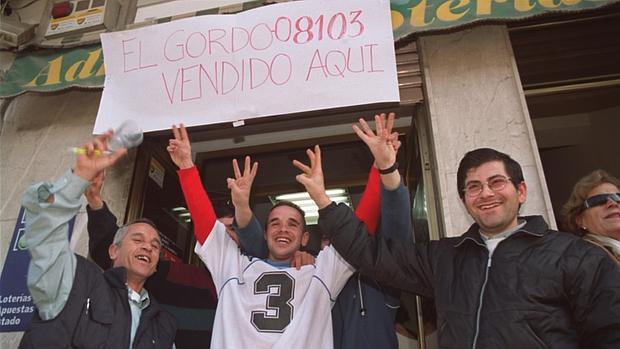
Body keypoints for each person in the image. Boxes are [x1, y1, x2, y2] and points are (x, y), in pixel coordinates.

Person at [296, 121, 620, 348]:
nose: (486, 193)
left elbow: (610, 333)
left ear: (520, 191)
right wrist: (323, 200)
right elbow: (371, 254)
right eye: (474, 187)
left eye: (497, 182)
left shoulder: (576, 256)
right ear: (465, 200)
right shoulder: (446, 258)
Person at [230, 113, 413, 349]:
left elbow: (397, 227)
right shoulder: (309, 276)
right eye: (328, 239)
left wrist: (385, 168)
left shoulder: (380, 280)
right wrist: (241, 207)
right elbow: (262, 250)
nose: (335, 245)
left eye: (340, 238)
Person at [84, 171, 310, 348]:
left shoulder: (257, 280)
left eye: (232, 231)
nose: (224, 239)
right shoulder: (173, 276)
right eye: (217, 234)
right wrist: (96, 204)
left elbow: (271, 254)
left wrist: (300, 257)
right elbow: (119, 254)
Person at [18, 132, 177, 348]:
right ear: (113, 250)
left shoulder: (162, 323)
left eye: (155, 245)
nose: (148, 247)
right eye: (138, 239)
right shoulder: (76, 278)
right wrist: (78, 178)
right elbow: (43, 229)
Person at [562, 169, 620, 263]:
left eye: (618, 197)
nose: (613, 203)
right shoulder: (580, 259)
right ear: (580, 220)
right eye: (600, 200)